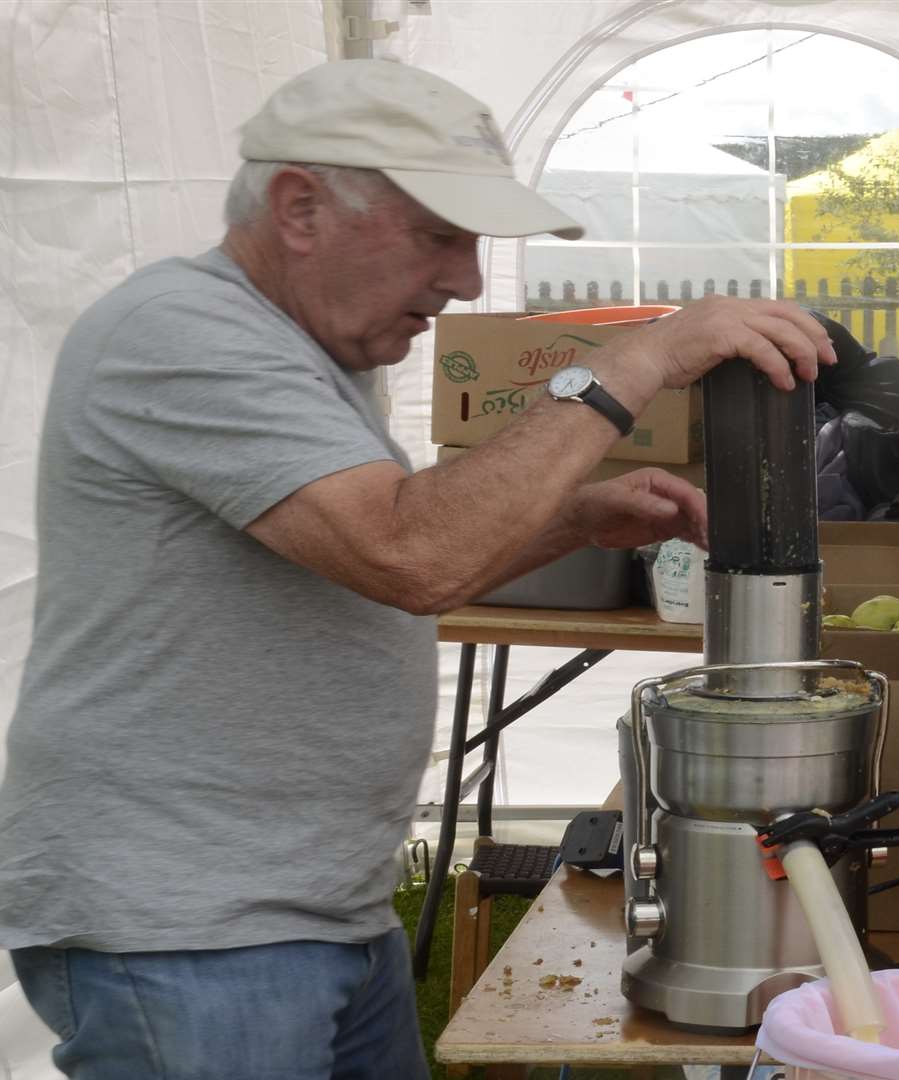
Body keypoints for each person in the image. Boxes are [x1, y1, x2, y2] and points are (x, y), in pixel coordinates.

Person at [0, 59, 833, 1079]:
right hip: (192, 929)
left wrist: (573, 520)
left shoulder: (310, 353)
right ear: (300, 207)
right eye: (440, 235)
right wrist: (633, 362)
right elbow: (411, 554)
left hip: (305, 903)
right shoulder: (184, 334)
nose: (467, 279)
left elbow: (363, 559)